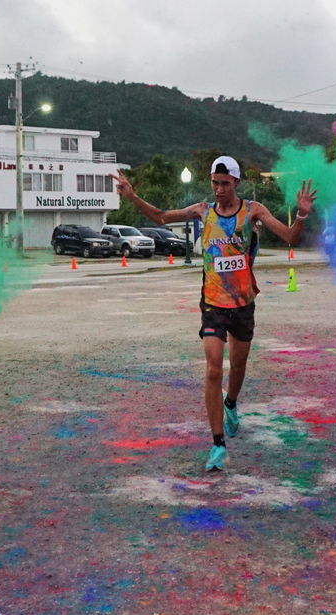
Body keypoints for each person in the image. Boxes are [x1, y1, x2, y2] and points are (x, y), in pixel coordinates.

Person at [114, 156, 315, 471]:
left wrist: (302, 214)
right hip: (213, 303)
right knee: (212, 370)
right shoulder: (202, 211)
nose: (219, 190)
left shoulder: (253, 211)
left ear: (236, 182)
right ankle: (218, 444)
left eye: (225, 184)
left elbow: (290, 237)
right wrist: (132, 196)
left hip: (243, 303)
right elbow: (162, 217)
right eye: (214, 183)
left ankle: (231, 403)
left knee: (237, 367)